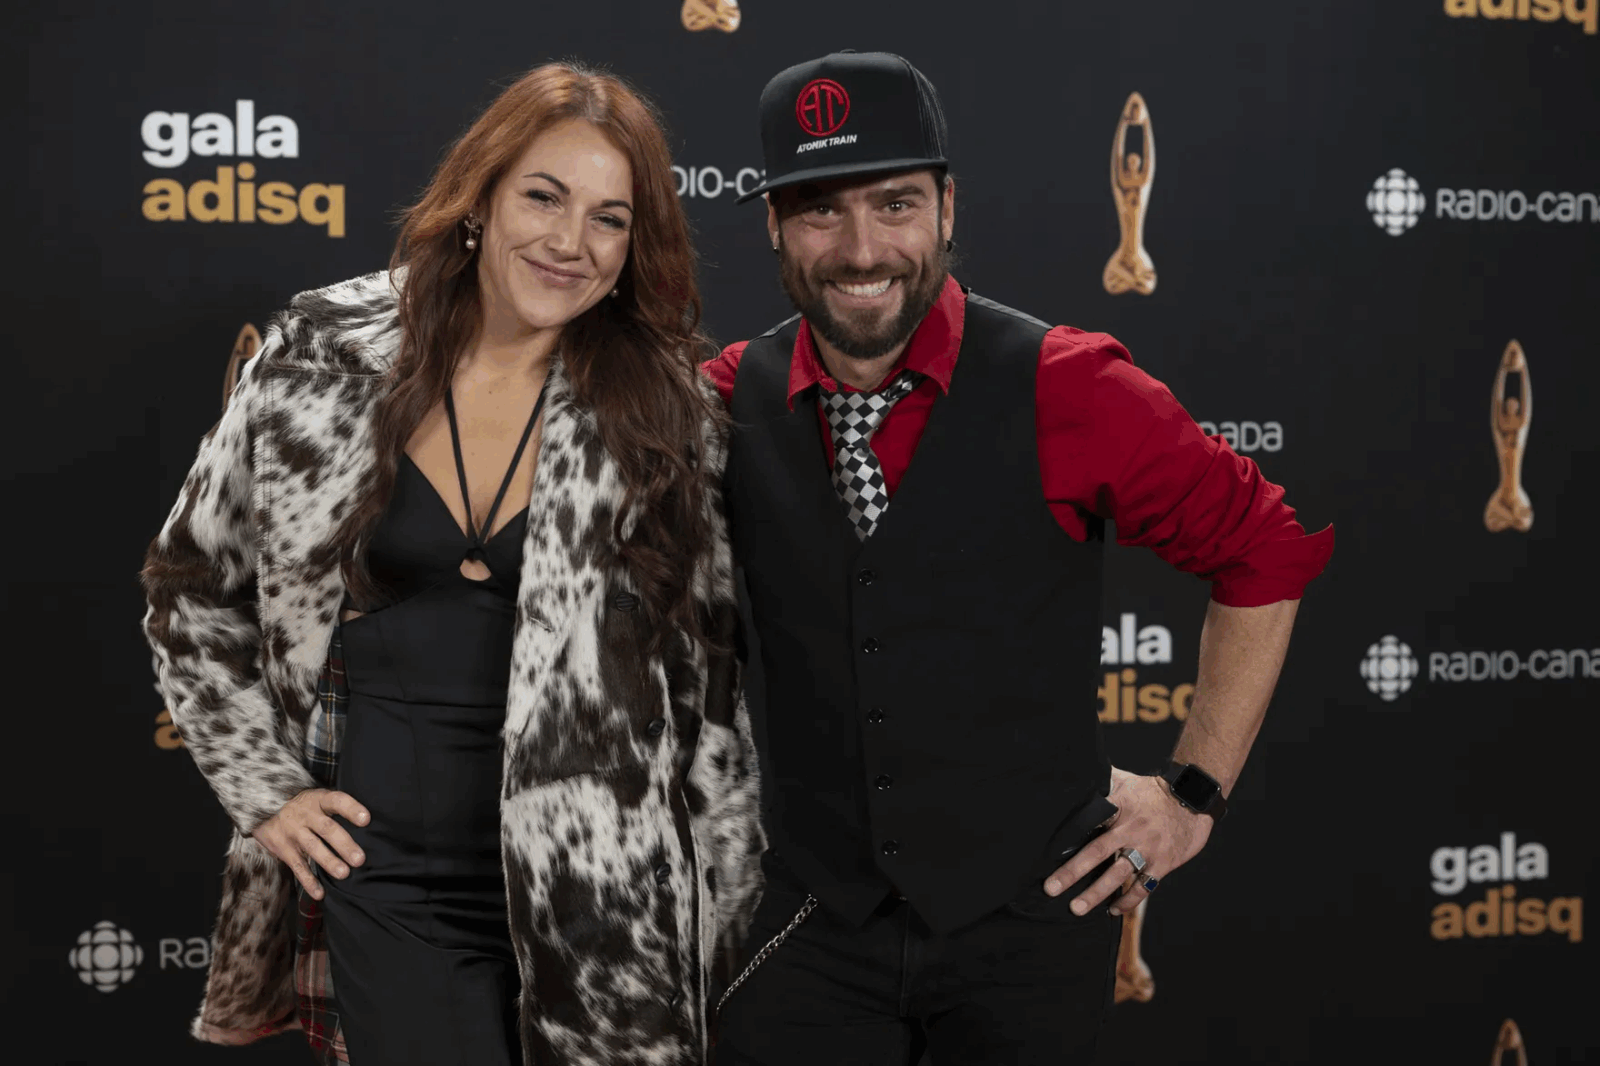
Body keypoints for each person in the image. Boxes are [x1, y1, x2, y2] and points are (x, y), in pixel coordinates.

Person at [702, 51, 1334, 1064]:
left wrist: (1193, 795)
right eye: (820, 210)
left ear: (948, 208)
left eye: (896, 203)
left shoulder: (1069, 386)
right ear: (772, 223)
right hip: (803, 932)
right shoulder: (720, 400)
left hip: (1028, 932)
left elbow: (1266, 550)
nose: (862, 248)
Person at [141, 61, 764, 1066]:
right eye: (544, 197)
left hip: (600, 894)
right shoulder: (326, 352)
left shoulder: (668, 411)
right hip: (389, 883)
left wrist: (718, 894)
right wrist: (266, 789)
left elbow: (711, 679)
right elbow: (189, 589)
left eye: (610, 218)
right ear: (479, 194)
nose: (570, 242)